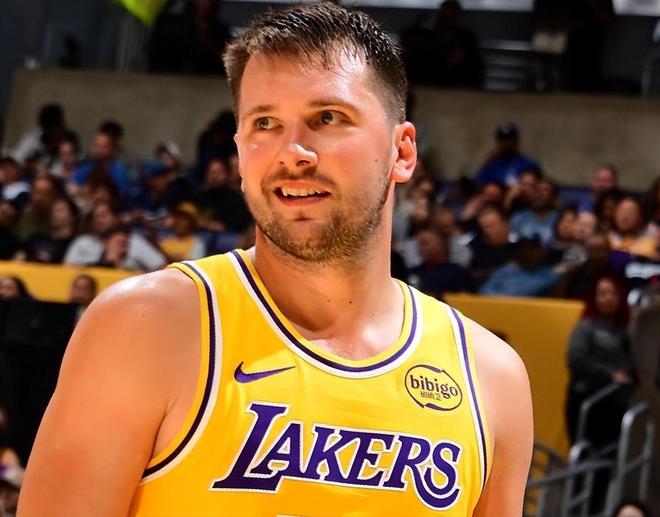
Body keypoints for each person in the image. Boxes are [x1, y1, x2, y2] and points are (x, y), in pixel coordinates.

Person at [19, 4, 533, 516]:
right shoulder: (145, 327)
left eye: (327, 118)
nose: (293, 152)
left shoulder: (490, 377)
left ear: (402, 152)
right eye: (265, 123)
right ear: (241, 152)